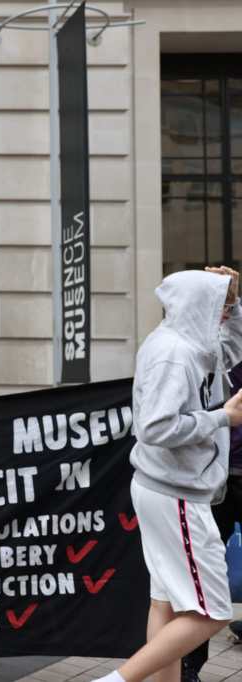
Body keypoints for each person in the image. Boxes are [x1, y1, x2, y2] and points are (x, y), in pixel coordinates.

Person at [92, 267, 242, 682]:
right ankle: (116, 681)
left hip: (169, 488)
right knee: (214, 610)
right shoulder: (174, 352)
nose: (222, 314)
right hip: (176, 492)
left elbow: (232, 348)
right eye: (219, 306)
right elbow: (155, 428)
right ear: (199, 306)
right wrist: (221, 418)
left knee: (167, 604)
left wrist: (234, 299)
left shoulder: (192, 343)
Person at [181, 359, 242, 681]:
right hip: (214, 476)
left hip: (224, 471)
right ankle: (189, 664)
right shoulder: (209, 346)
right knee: (202, 569)